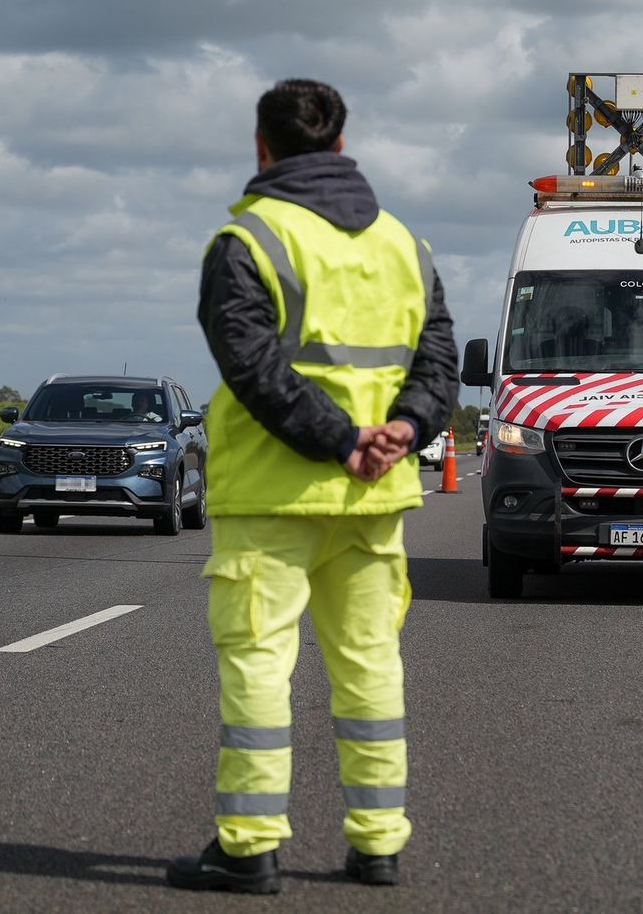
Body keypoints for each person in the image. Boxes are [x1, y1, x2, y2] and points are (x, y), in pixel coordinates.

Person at [167, 79, 458, 894]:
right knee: (371, 668)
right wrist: (406, 430)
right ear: (339, 146)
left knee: (261, 668)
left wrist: (339, 440)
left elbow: (250, 366)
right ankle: (378, 844)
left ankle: (251, 846)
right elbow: (438, 356)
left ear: (262, 147)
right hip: (375, 499)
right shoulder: (406, 244)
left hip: (272, 497)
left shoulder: (247, 240)